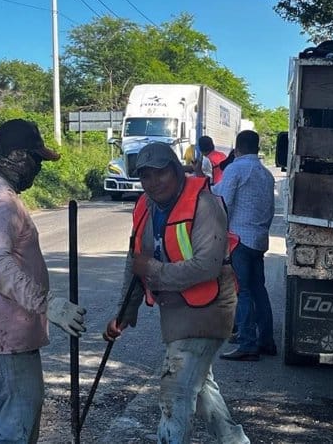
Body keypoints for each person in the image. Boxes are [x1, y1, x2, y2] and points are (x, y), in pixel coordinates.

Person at [0, 119, 87, 443]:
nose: (38, 168)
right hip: (2, 350)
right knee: (12, 437)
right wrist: (48, 304)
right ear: (18, 156)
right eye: (36, 160)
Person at [103, 142, 250, 444]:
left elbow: (206, 267)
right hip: (175, 310)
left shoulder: (206, 205)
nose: (153, 182)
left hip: (208, 309)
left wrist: (154, 270)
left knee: (176, 392)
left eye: (161, 174)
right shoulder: (145, 204)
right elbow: (136, 261)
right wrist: (123, 313)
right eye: (145, 176)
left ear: (176, 170)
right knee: (200, 388)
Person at [212, 130, 276, 361]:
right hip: (259, 240)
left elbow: (223, 201)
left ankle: (247, 343)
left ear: (237, 148)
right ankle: (266, 340)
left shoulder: (236, 168)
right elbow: (269, 208)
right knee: (259, 289)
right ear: (257, 147)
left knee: (242, 292)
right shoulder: (266, 175)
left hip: (239, 239)